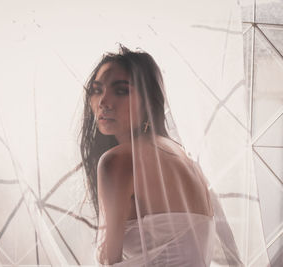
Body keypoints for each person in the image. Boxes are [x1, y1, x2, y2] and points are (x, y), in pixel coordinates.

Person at [80, 46, 239, 266]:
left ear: (147, 99)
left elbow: (108, 259)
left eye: (120, 91)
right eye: (97, 90)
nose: (103, 102)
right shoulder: (184, 158)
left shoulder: (118, 161)